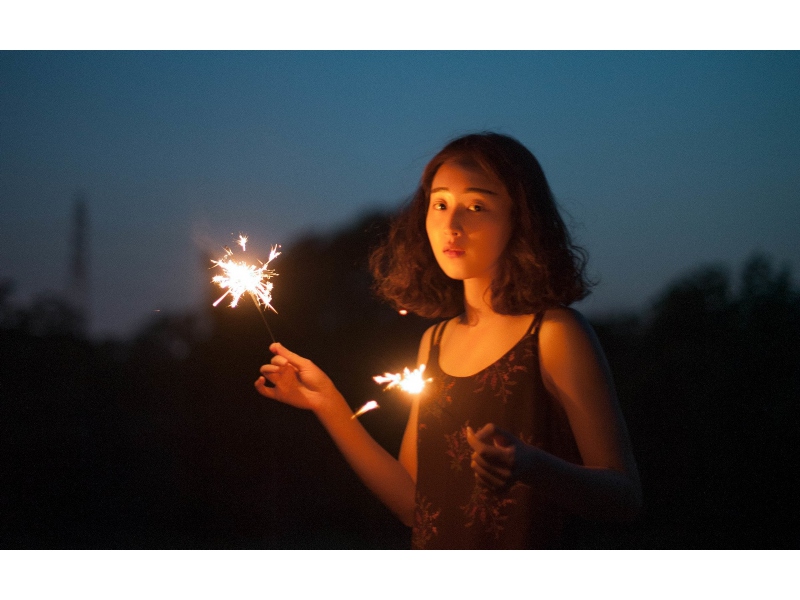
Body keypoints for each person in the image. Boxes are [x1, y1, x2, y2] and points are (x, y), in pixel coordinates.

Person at [255, 132, 641, 549]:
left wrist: (533, 466)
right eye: (440, 204)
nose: (451, 225)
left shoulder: (554, 334)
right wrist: (327, 402)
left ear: (520, 219)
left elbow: (624, 497)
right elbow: (412, 504)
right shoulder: (434, 342)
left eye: (476, 206)